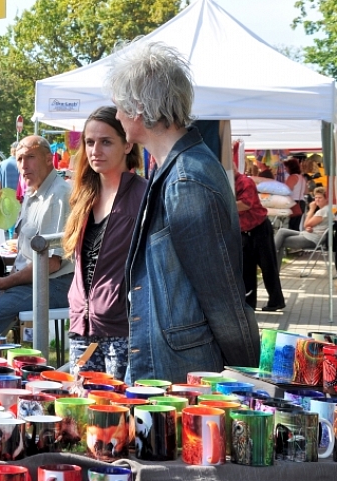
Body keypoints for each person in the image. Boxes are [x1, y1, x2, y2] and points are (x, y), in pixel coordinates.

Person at [110, 41, 259, 384]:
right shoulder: (179, 169)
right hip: (172, 365)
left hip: (183, 375)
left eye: (119, 106)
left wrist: (245, 375)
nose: (116, 115)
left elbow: (221, 295)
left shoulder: (186, 178)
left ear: (138, 108)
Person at [64, 106, 146, 381]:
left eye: (106, 141)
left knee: (117, 414)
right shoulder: (83, 196)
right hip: (82, 326)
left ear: (127, 145)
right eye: (89, 142)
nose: (95, 149)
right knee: (82, 412)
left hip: (123, 328)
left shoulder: (143, 195)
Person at [0, 135, 74, 336]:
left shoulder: (59, 194)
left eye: (30, 157)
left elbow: (51, 263)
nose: (23, 165)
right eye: (20, 159)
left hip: (54, 284)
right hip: (33, 282)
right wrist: (5, 281)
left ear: (49, 159)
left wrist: (4, 282)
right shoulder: (34, 193)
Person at [235, 170, 286, 311]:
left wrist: (224, 204)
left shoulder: (245, 181)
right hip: (243, 231)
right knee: (247, 269)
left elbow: (246, 204)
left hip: (259, 228)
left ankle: (276, 300)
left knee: (268, 266)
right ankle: (249, 304)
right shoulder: (226, 184)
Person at [274, 186, 330, 272]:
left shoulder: (323, 211)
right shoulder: (325, 210)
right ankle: (273, 267)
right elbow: (310, 225)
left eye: (320, 198)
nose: (317, 200)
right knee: (282, 231)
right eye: (316, 197)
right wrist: (310, 227)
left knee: (280, 240)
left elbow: (305, 224)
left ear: (326, 199)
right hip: (309, 234)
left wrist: (311, 209)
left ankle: (270, 262)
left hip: (311, 239)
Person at [283, 158, 308, 231]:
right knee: (298, 225)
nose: (285, 169)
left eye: (286, 167)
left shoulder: (292, 177)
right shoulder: (302, 177)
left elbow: (286, 190)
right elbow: (306, 191)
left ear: (290, 167)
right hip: (301, 203)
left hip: (294, 203)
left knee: (292, 225)